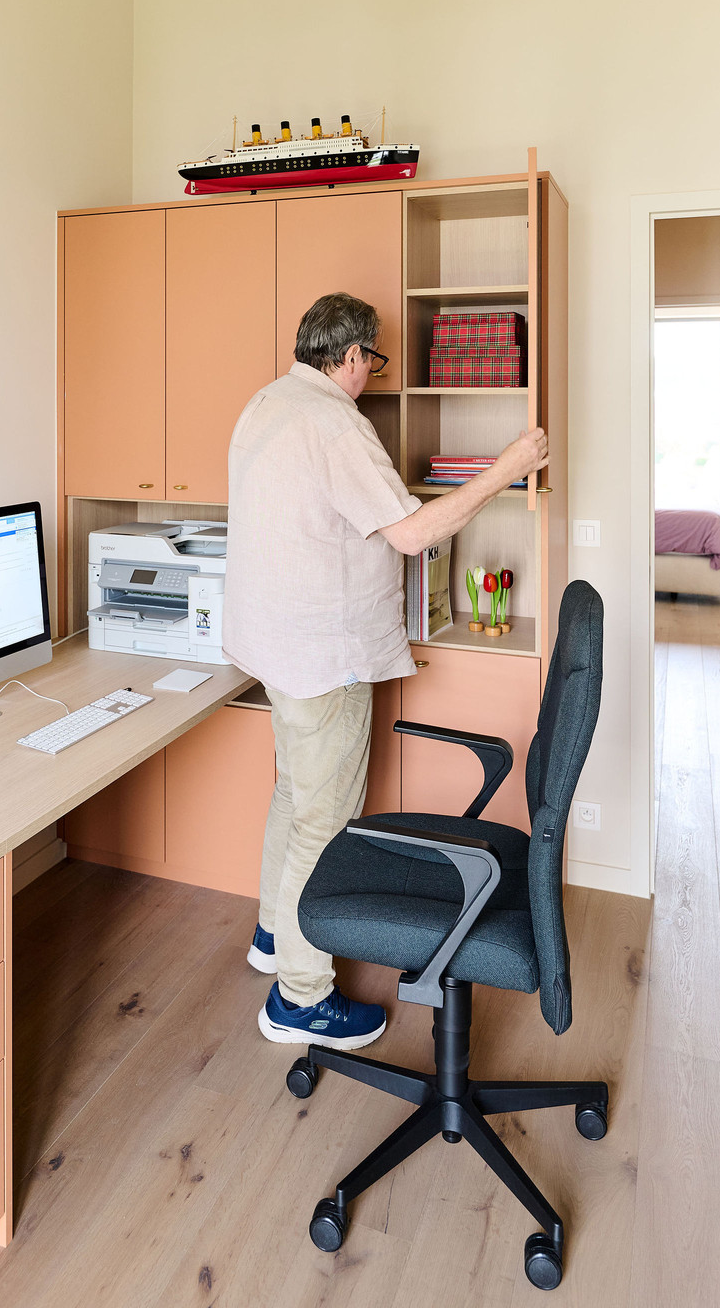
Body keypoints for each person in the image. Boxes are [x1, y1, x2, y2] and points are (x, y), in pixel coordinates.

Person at [222, 293, 548, 1051]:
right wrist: (507, 468)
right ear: (355, 356)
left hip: (272, 648)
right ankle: (300, 998)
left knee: (295, 793)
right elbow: (414, 534)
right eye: (374, 359)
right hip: (321, 655)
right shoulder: (336, 423)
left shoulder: (265, 403)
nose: (373, 372)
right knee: (322, 824)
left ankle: (275, 933)